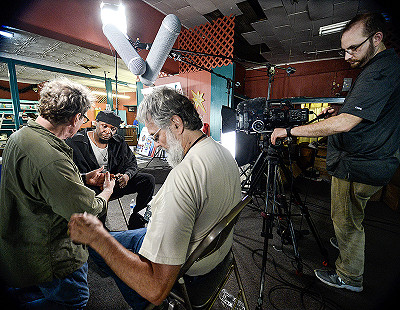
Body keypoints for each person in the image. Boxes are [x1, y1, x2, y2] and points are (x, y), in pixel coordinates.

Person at [68, 88, 242, 309]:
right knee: (123, 238)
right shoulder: (224, 153)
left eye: (156, 136)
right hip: (217, 255)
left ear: (176, 124)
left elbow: (155, 288)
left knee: (103, 245)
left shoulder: (182, 177)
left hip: (192, 268)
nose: (157, 144)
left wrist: (97, 237)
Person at [271, 13, 400, 292]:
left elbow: (345, 124)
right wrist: (342, 111)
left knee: (345, 220)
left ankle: (349, 277)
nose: (347, 56)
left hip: (359, 165)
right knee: (351, 217)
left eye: (353, 48)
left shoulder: (380, 70)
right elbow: (362, 115)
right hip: (371, 161)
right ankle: (345, 241)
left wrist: (290, 131)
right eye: (344, 49)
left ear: (377, 38)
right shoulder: (383, 66)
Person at [0, 77, 116, 309]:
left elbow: (37, 184)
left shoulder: (19, 137)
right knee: (73, 301)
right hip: (51, 255)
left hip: (21, 246)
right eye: (83, 119)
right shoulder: (51, 157)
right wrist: (106, 192)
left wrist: (81, 179)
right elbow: (85, 210)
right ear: (75, 118)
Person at [66, 110, 155, 230]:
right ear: (96, 123)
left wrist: (126, 176)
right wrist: (88, 178)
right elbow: (68, 171)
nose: (108, 131)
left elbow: (132, 163)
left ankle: (136, 222)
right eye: (104, 126)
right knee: (94, 192)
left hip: (114, 183)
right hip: (90, 186)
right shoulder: (76, 142)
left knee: (147, 180)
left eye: (113, 128)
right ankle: (100, 230)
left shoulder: (118, 142)